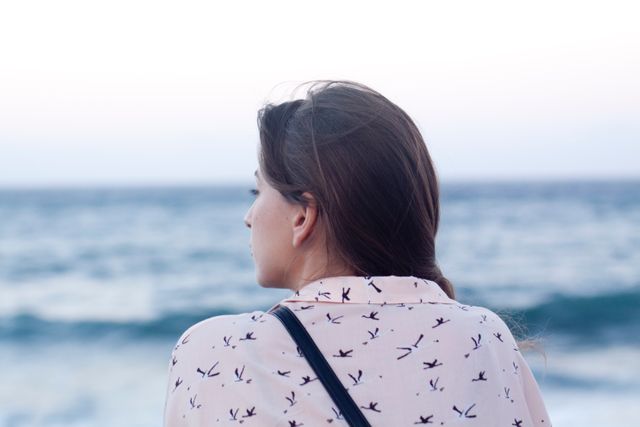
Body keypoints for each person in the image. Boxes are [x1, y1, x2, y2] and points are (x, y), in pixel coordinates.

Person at [163, 81, 550, 426]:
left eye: (257, 192)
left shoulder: (216, 354)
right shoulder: (484, 340)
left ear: (302, 216)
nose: (249, 217)